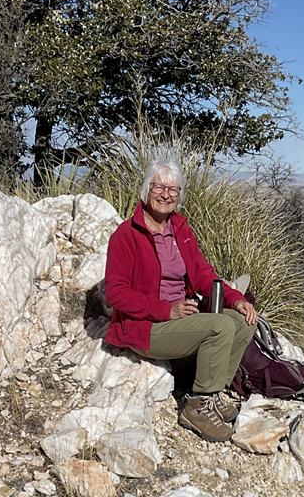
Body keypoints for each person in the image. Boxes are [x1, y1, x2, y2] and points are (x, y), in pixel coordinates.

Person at [103, 159, 258, 442]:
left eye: (173, 190)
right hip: (145, 326)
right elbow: (116, 292)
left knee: (243, 321)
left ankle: (213, 391)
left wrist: (236, 299)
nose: (166, 195)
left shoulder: (180, 230)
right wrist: (167, 310)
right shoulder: (126, 235)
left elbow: (202, 274)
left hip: (180, 319)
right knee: (219, 326)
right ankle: (197, 407)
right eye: (159, 187)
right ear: (146, 191)